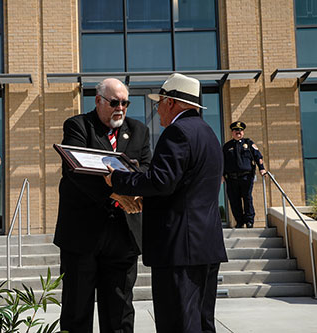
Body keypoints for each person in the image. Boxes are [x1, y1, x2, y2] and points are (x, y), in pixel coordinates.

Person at [104, 73, 228, 333]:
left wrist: (119, 180)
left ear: (171, 102)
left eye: (158, 102)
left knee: (178, 323)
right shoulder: (208, 133)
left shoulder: (178, 132)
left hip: (180, 249)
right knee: (202, 323)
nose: (157, 109)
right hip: (205, 245)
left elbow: (161, 181)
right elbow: (183, 187)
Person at [54, 78, 152, 332]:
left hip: (123, 236)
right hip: (82, 236)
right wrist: (118, 193)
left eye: (125, 103)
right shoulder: (78, 126)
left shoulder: (139, 130)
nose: (121, 108)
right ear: (98, 101)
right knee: (77, 310)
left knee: (120, 311)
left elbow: (147, 169)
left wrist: (131, 179)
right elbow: (76, 171)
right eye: (115, 102)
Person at [222, 121, 267, 228]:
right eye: (236, 131)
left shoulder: (249, 144)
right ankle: (239, 222)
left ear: (243, 132)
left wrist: (262, 169)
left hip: (246, 177)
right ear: (232, 132)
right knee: (234, 200)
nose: (238, 132)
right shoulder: (227, 146)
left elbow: (258, 157)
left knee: (247, 199)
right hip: (231, 178)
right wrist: (221, 174)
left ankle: (249, 221)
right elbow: (222, 162)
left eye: (240, 130)